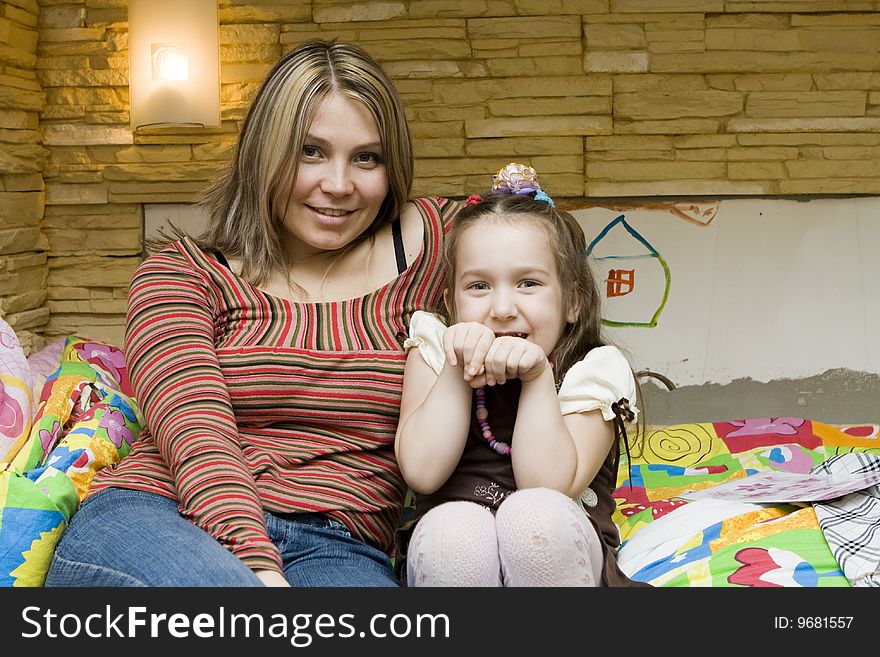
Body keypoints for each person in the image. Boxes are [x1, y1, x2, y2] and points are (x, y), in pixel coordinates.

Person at [44, 40, 460, 587]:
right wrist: (257, 566)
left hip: (337, 544)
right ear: (265, 152)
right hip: (160, 517)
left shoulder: (437, 249)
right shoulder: (184, 274)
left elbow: (548, 259)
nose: (338, 184)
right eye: (310, 151)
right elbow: (196, 428)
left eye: (367, 157)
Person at [394, 163, 649, 587]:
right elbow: (421, 471)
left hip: (557, 555)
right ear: (451, 303)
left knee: (532, 517)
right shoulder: (435, 351)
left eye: (528, 283)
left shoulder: (594, 370)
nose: (501, 308)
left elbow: (544, 487)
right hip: (452, 552)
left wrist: (536, 380)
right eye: (478, 286)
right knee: (454, 528)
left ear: (573, 303)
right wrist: (459, 367)